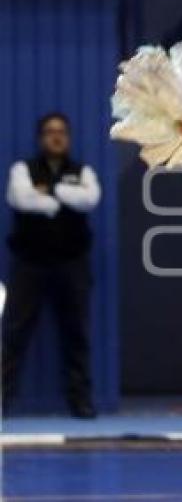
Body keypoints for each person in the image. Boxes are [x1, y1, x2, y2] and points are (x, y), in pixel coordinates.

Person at [3, 113, 101, 418]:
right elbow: (20, 199)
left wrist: (52, 191)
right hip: (30, 264)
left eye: (61, 132)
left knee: (76, 335)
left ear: (68, 137)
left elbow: (90, 200)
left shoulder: (82, 170)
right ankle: (2, 398)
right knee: (13, 333)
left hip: (72, 265)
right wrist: (63, 197)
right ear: (41, 137)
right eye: (49, 132)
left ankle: (81, 402)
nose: (55, 137)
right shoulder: (23, 169)